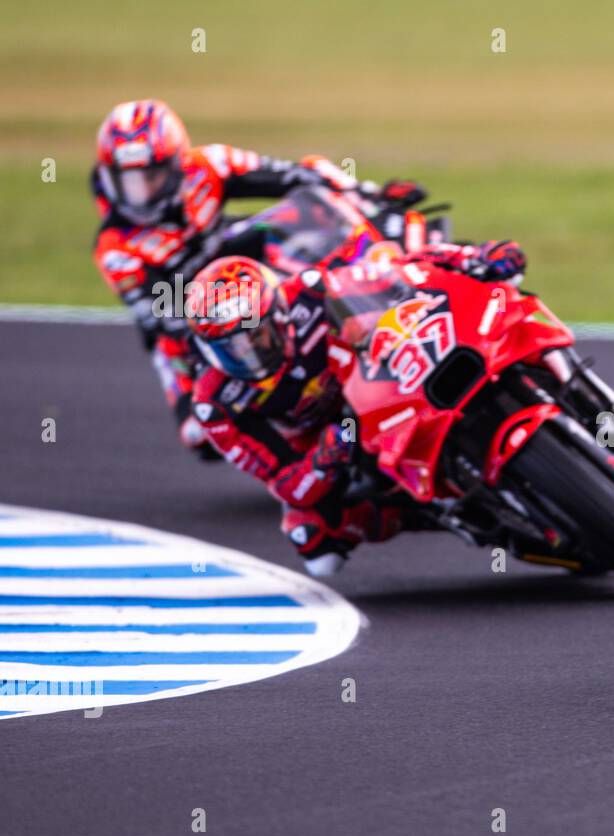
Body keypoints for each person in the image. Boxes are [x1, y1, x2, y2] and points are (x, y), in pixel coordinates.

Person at [91, 98, 425, 455]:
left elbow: (296, 174)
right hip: (186, 317)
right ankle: (299, 450)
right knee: (199, 431)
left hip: (233, 259)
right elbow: (159, 314)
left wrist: (365, 192)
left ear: (175, 164)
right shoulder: (115, 248)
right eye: (127, 181)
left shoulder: (210, 165)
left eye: (150, 177)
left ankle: (386, 269)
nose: (139, 193)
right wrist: (234, 313)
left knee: (305, 204)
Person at [183, 238, 527, 575]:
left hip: (372, 379)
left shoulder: (310, 291)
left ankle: (534, 376)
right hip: (327, 439)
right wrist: (322, 461)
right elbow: (284, 483)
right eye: (229, 348)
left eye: (254, 336)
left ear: (279, 312)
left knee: (468, 305)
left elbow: (394, 263)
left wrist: (468, 257)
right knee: (315, 547)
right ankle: (430, 514)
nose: (247, 354)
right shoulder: (214, 404)